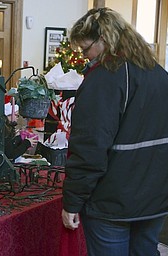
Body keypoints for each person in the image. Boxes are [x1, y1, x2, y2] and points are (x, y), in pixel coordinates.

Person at [61, 7, 168, 256]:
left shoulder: (104, 79)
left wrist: (72, 202)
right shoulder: (159, 74)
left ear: (104, 39)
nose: (86, 57)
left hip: (113, 203)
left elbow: (89, 149)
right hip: (155, 198)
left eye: (86, 49)